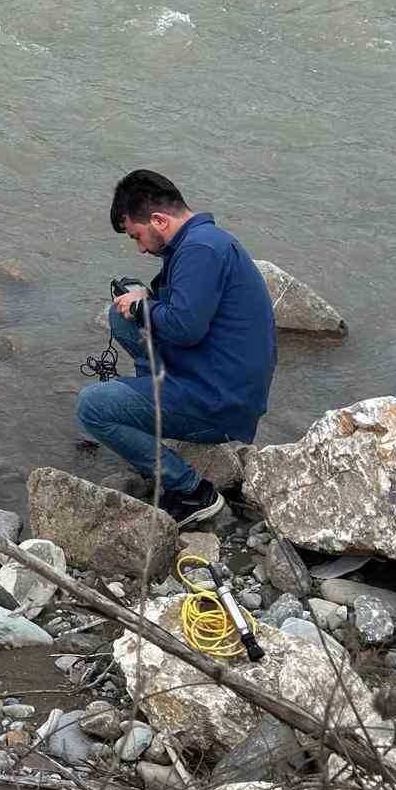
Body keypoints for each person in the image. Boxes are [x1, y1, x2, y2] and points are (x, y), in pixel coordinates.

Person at [76, 169, 277, 527]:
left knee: (92, 406)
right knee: (120, 316)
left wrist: (143, 306)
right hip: (215, 377)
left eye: (137, 236)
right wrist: (146, 298)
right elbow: (189, 314)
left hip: (219, 404)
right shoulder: (202, 242)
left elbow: (185, 328)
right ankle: (147, 412)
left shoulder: (200, 250)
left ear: (159, 220)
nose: (140, 248)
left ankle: (192, 491)